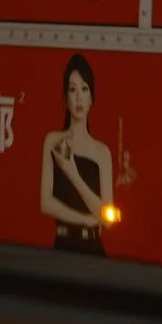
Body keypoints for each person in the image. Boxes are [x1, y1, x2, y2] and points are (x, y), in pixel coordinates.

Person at [39, 53, 114, 255]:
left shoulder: (102, 152)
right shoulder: (53, 141)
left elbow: (107, 218)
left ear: (92, 98)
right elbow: (46, 203)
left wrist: (71, 172)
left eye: (84, 89)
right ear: (65, 97)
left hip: (93, 248)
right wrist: (86, 220)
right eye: (72, 90)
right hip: (62, 243)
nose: (79, 97)